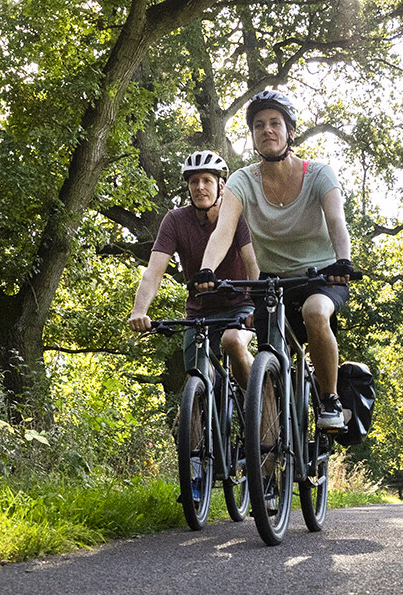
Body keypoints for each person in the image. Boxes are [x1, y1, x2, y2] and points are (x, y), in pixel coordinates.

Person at [194, 89, 354, 430]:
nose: (267, 130)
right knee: (271, 357)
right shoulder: (242, 181)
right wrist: (206, 269)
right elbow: (223, 232)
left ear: (290, 131)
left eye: (275, 123)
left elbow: (337, 222)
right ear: (252, 135)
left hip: (322, 277)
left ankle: (330, 399)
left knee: (315, 312)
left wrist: (343, 262)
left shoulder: (319, 174)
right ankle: (272, 434)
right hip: (272, 282)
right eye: (258, 125)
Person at [128, 150, 259, 384]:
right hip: (200, 313)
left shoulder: (236, 215)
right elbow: (153, 273)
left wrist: (258, 306)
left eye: (207, 180)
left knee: (234, 341)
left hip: (240, 306)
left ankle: (258, 396)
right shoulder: (175, 220)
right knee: (198, 377)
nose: (200, 187)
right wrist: (139, 311)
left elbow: (252, 263)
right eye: (194, 182)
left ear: (221, 186)